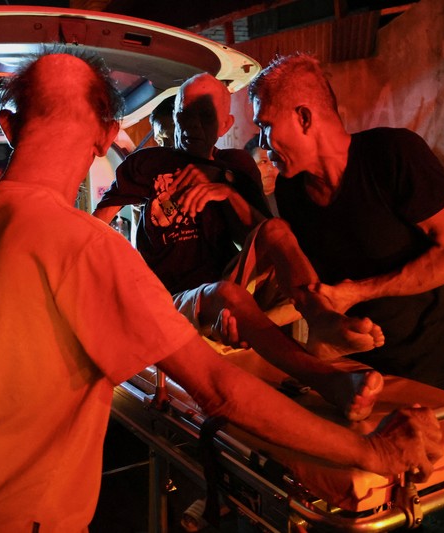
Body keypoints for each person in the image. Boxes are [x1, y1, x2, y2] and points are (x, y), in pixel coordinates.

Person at [0, 48, 442, 532]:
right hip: (14, 519)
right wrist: (372, 450)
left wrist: (223, 196)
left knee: (244, 275)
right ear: (108, 135)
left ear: (8, 125)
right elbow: (218, 390)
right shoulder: (87, 240)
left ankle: (322, 341)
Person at [94, 73, 385, 419]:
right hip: (173, 303)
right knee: (227, 295)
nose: (192, 126)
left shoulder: (235, 166)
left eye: (205, 117)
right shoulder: (148, 164)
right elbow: (97, 224)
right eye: (184, 114)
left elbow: (263, 236)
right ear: (173, 116)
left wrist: (227, 191)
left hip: (229, 283)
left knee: (278, 231)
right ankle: (329, 382)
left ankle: (322, 320)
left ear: (225, 124)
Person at [248, 52, 444, 398]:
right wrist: (252, 323)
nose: (262, 143)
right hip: (375, 371)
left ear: (304, 117)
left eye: (265, 126)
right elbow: (321, 290)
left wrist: (359, 291)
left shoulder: (392, 154)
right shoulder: (292, 191)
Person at [245, 134, 279, 216]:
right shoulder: (242, 199)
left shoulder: (289, 198)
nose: (270, 168)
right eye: (264, 161)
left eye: (274, 161)